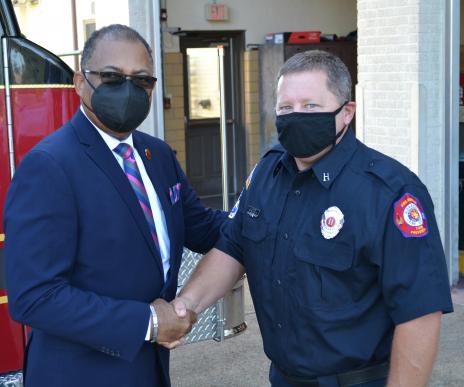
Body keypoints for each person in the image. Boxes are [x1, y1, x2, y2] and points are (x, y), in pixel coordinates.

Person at [171, 50, 454, 387]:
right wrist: (186, 306)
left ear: (346, 113)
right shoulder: (267, 173)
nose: (296, 116)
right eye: (286, 108)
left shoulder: (389, 193)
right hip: (285, 378)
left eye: (310, 106)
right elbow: (234, 247)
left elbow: (419, 314)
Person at [4, 24, 226, 387]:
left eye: (141, 80)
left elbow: (202, 227)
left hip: (149, 368)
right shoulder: (50, 166)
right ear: (80, 82)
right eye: (111, 77)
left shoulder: (158, 156)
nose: (128, 89)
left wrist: (261, 213)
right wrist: (148, 323)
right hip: (79, 374)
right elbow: (35, 296)